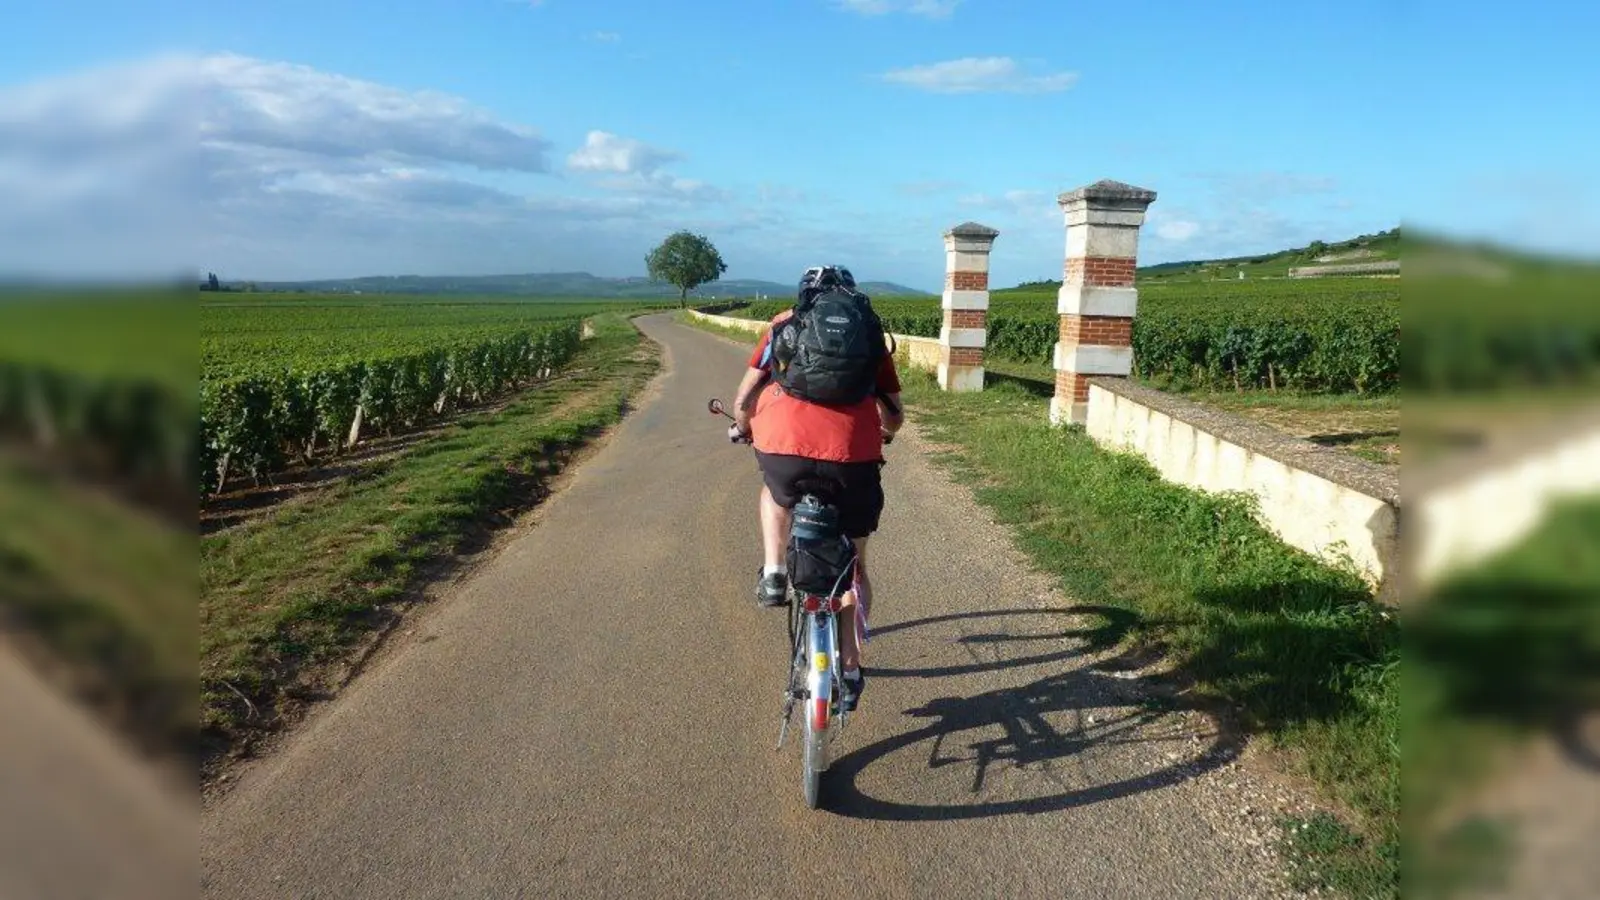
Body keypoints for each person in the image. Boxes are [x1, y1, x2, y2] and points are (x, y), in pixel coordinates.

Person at [726, 265, 903, 712]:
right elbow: (894, 414)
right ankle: (850, 669)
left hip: (785, 450)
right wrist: (884, 433)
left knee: (774, 493)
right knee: (855, 567)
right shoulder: (869, 331)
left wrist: (743, 427)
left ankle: (774, 573)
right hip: (854, 459)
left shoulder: (783, 324)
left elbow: (745, 398)